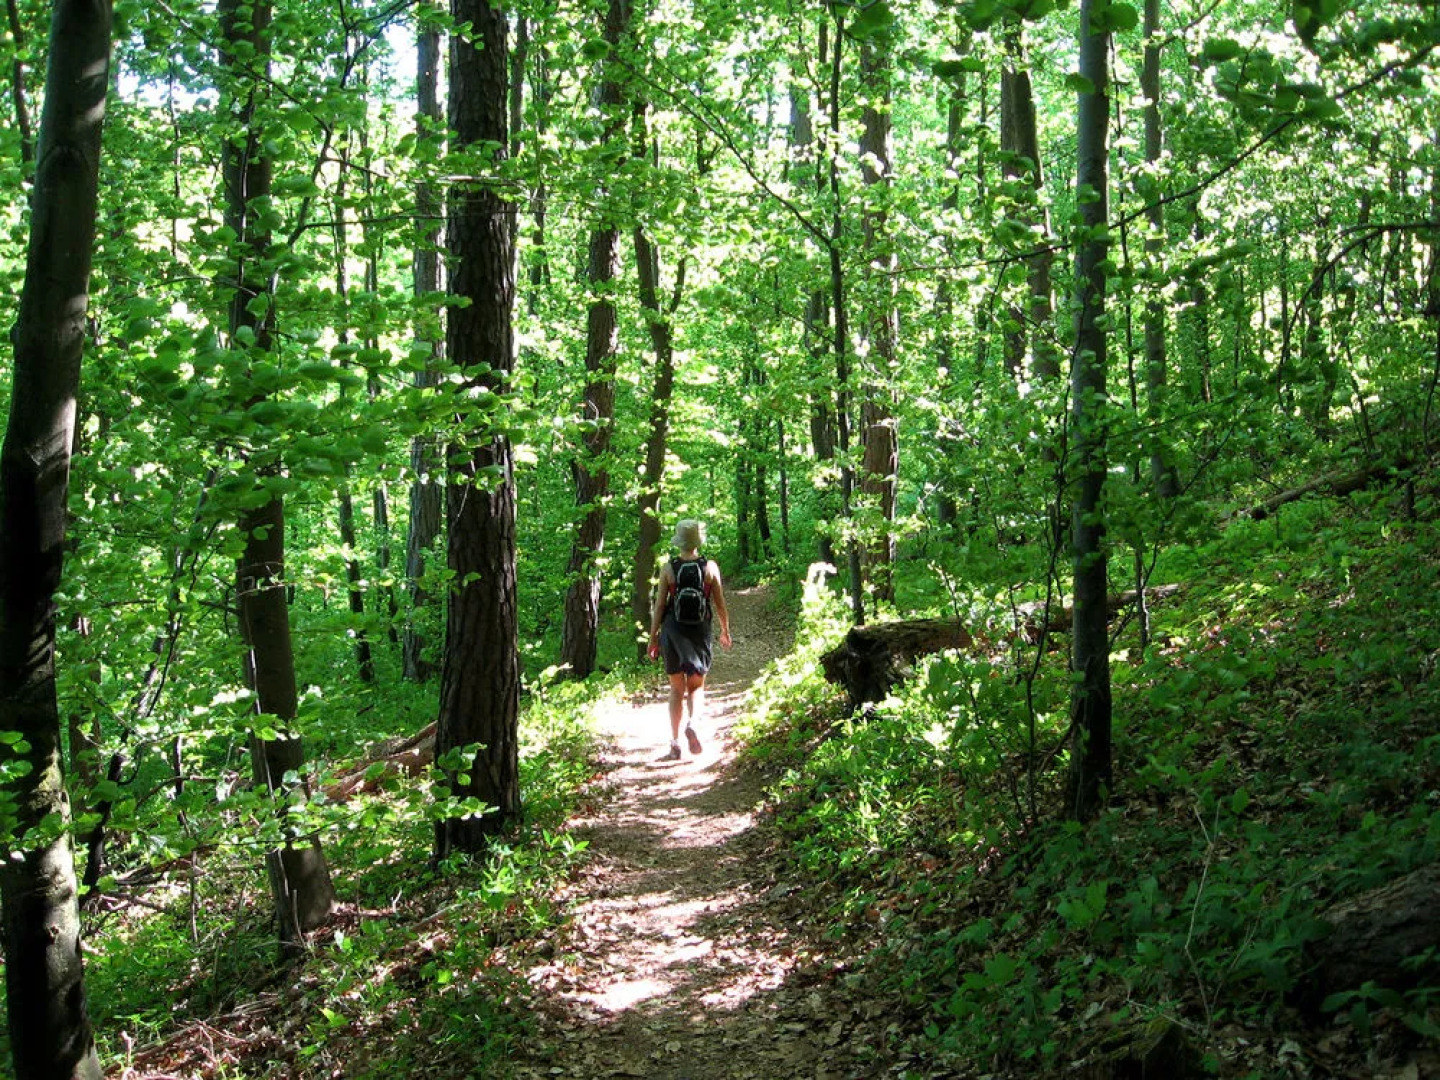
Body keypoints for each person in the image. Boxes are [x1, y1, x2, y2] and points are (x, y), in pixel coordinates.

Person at [647, 519, 732, 760]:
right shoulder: (710, 568)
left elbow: (660, 606)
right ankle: (693, 723)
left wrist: (653, 638)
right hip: (699, 630)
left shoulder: (668, 568)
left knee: (676, 689)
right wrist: (725, 630)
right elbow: (720, 604)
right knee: (696, 686)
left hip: (672, 630)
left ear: (679, 541)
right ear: (698, 541)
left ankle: (674, 743)